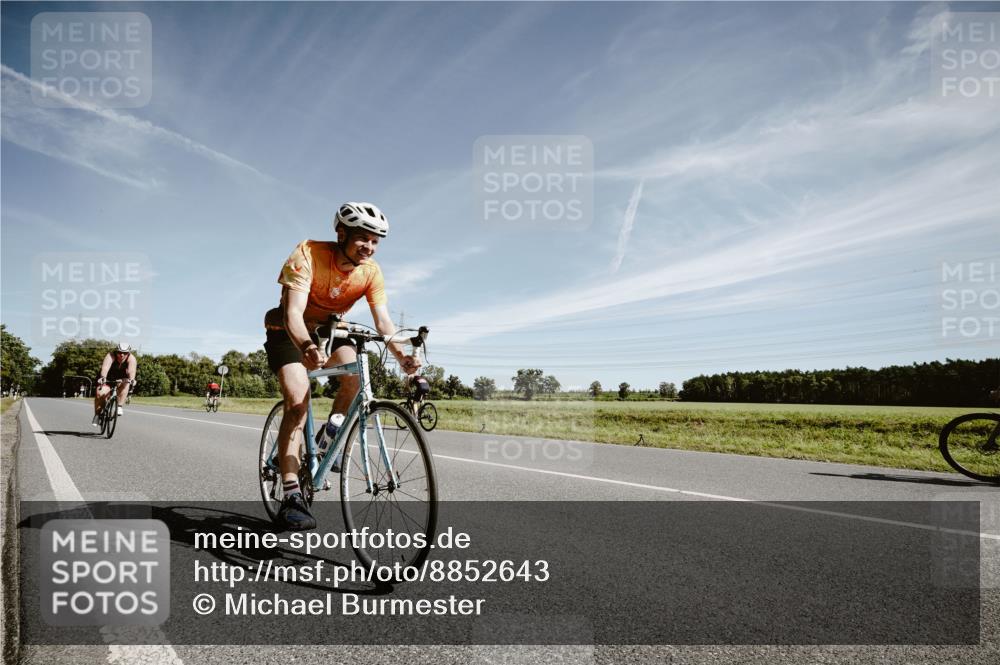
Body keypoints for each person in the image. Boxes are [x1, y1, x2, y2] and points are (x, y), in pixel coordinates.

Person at [264, 202, 421, 530]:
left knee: (355, 383)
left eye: (376, 241)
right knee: (297, 403)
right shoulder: (307, 254)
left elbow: (384, 323)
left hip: (332, 331)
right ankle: (292, 495)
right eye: (363, 238)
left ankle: (327, 440)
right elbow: (293, 313)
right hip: (289, 331)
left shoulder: (371, 271)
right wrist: (306, 345)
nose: (370, 247)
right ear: (341, 234)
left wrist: (402, 356)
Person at [93, 342, 137, 426]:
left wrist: (132, 379)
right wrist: (103, 377)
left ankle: (119, 406)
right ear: (116, 352)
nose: (121, 355)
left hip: (121, 379)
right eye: (119, 352)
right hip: (107, 378)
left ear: (128, 353)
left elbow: (132, 370)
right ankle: (97, 415)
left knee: (127, 382)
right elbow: (105, 368)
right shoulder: (110, 355)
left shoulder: (131, 358)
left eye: (124, 353)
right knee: (100, 394)